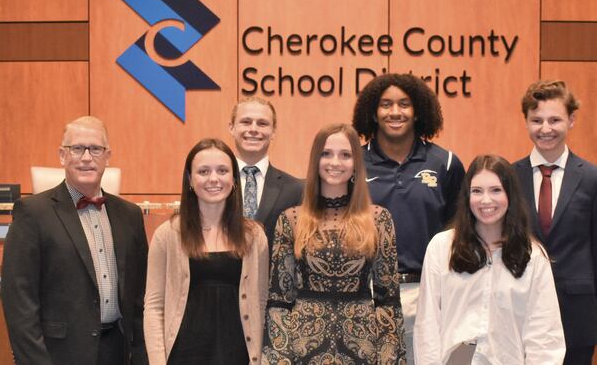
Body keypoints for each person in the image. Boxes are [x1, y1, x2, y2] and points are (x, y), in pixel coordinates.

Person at [1, 116, 148, 365]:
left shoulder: (130, 215)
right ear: (62, 155)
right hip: (58, 355)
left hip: (118, 352)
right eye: (77, 148)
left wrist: (142, 354)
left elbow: (140, 295)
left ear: (108, 156)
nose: (87, 157)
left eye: (96, 149)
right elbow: (19, 301)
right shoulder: (32, 212)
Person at [262, 123, 406, 364]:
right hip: (302, 349)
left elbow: (388, 301)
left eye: (345, 155)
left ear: (356, 164)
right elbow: (279, 302)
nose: (335, 162)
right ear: (315, 160)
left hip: (363, 347)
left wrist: (388, 357)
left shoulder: (379, 220)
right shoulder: (290, 220)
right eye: (326, 153)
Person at [352, 72, 465, 363]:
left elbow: (461, 231)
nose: (395, 112)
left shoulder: (446, 163)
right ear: (373, 114)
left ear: (417, 112)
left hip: (427, 293)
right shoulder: (353, 162)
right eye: (386, 104)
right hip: (367, 293)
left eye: (404, 104)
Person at [415, 154, 565, 364]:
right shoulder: (441, 247)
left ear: (510, 195)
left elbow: (544, 334)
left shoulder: (533, 255)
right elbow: (427, 325)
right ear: (466, 196)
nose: (486, 200)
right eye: (477, 191)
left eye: (496, 190)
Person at [144, 138, 268, 364]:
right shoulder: (167, 234)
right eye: (203, 171)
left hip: (238, 355)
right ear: (190, 179)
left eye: (222, 170)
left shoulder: (255, 236)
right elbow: (154, 307)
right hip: (183, 356)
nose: (214, 178)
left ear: (234, 179)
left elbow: (261, 302)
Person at [514, 80, 597, 364]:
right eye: (536, 120)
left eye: (555, 120)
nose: (545, 129)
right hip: (521, 310)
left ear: (571, 120)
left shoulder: (591, 178)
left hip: (577, 313)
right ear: (526, 122)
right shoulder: (510, 178)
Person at [229, 97, 303, 250]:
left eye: (262, 123)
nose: (254, 129)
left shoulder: (296, 189)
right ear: (231, 128)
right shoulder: (213, 185)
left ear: (273, 131)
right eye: (246, 122)